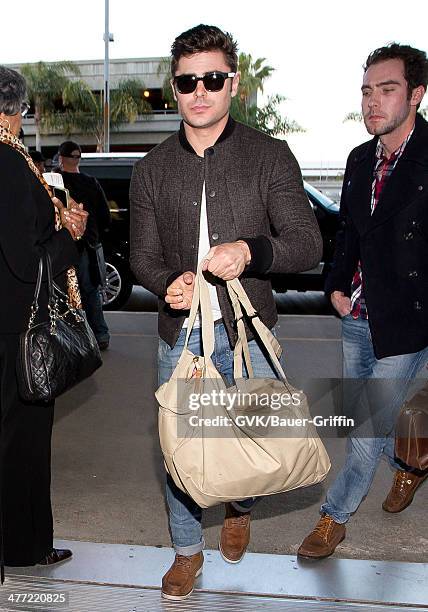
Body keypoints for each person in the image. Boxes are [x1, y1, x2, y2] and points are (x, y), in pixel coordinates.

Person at [130, 24, 322, 600]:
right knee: (182, 452)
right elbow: (141, 256)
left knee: (254, 442)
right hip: (183, 337)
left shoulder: (269, 156)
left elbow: (307, 244)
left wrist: (251, 252)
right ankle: (187, 553)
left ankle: (240, 505)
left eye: (212, 79)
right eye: (187, 82)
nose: (200, 91)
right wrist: (168, 282)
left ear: (232, 84)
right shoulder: (152, 169)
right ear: (174, 88)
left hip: (250, 334)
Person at [298, 43, 428, 560]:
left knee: (366, 424)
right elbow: (349, 230)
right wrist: (334, 284)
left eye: (388, 89)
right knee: (386, 412)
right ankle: (413, 465)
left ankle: (334, 515)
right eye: (367, 90)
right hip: (356, 314)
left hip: (408, 314)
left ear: (416, 94)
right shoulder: (358, 158)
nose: (373, 102)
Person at [0, 66, 87, 572]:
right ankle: (23, 547)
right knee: (23, 446)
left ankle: (24, 544)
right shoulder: (10, 165)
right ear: (17, 109)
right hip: (18, 330)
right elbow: (25, 259)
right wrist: (67, 236)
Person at [58, 140, 111, 350]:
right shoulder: (91, 182)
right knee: (90, 293)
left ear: (61, 158)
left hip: (64, 246)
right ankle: (100, 334)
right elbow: (105, 217)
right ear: (78, 158)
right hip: (90, 244)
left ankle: (74, 339)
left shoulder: (55, 183)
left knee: (67, 294)